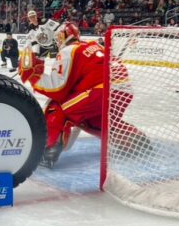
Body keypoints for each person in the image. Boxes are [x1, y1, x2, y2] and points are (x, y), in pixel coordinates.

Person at [19, 22, 148, 168]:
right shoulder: (94, 45)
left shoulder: (69, 50)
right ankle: (136, 141)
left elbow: (57, 88)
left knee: (59, 107)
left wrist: (33, 76)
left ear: (63, 36)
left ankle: (48, 150)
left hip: (100, 91)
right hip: (123, 91)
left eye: (58, 37)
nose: (57, 41)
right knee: (91, 121)